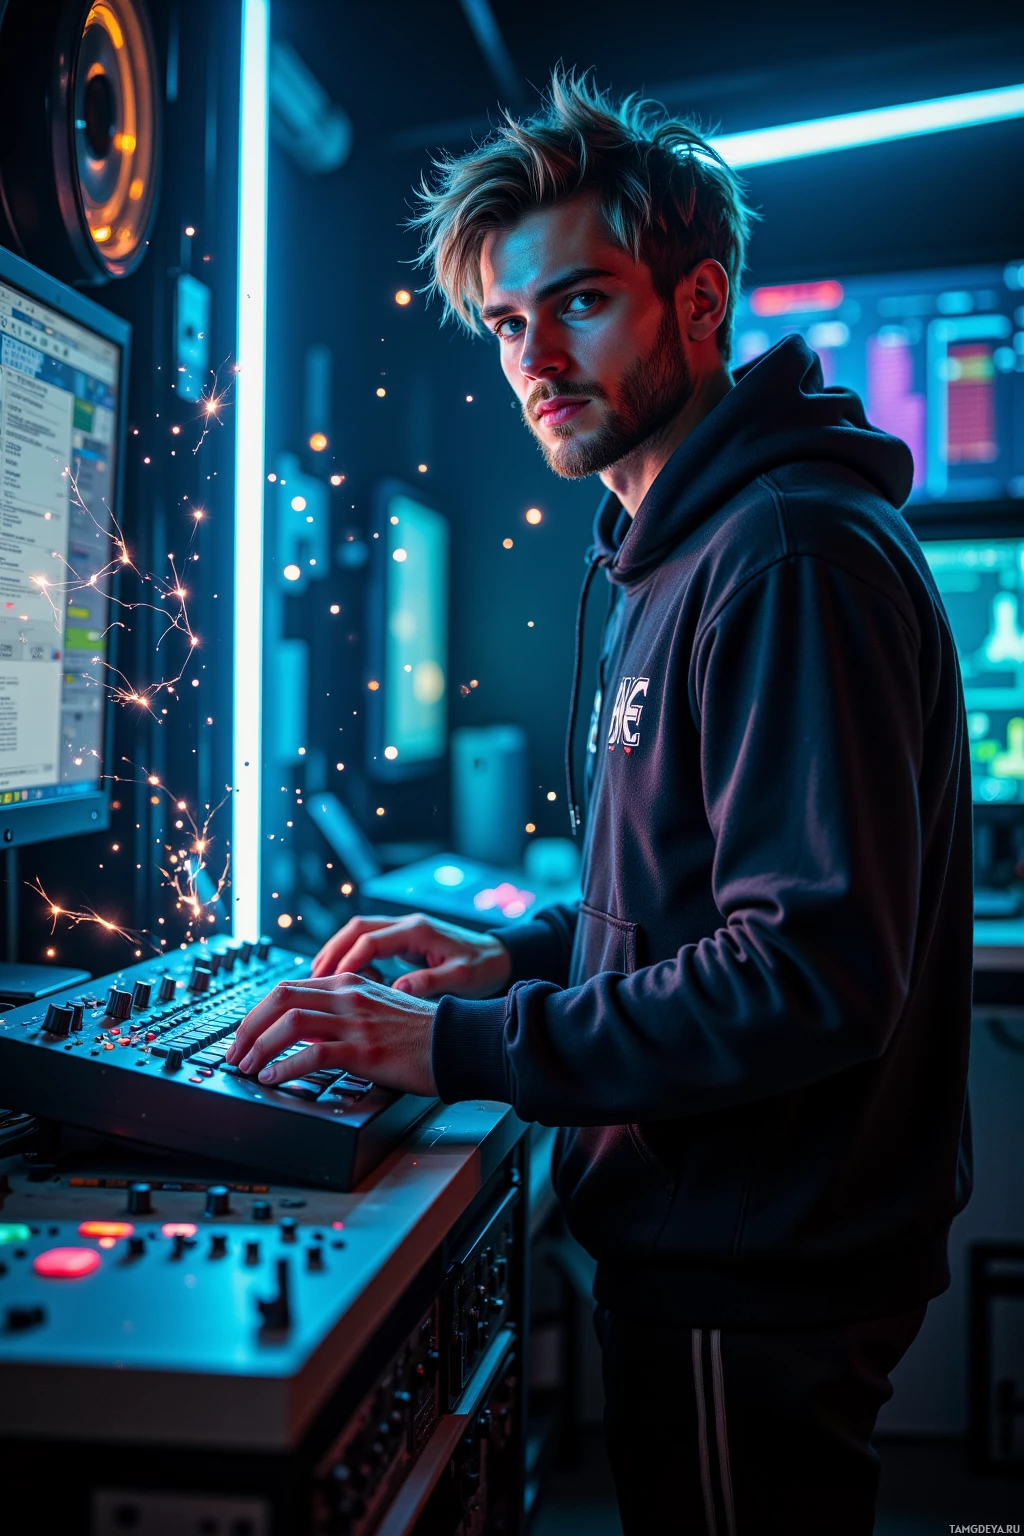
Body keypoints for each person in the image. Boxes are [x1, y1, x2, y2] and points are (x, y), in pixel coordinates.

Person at [227, 70, 973, 1535]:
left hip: (752, 1260)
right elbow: (683, 896)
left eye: (580, 303)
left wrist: (459, 1043)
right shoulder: (671, 548)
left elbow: (809, 972)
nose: (534, 359)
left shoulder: (785, 556)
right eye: (509, 324)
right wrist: (512, 957)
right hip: (719, 1233)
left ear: (700, 303)